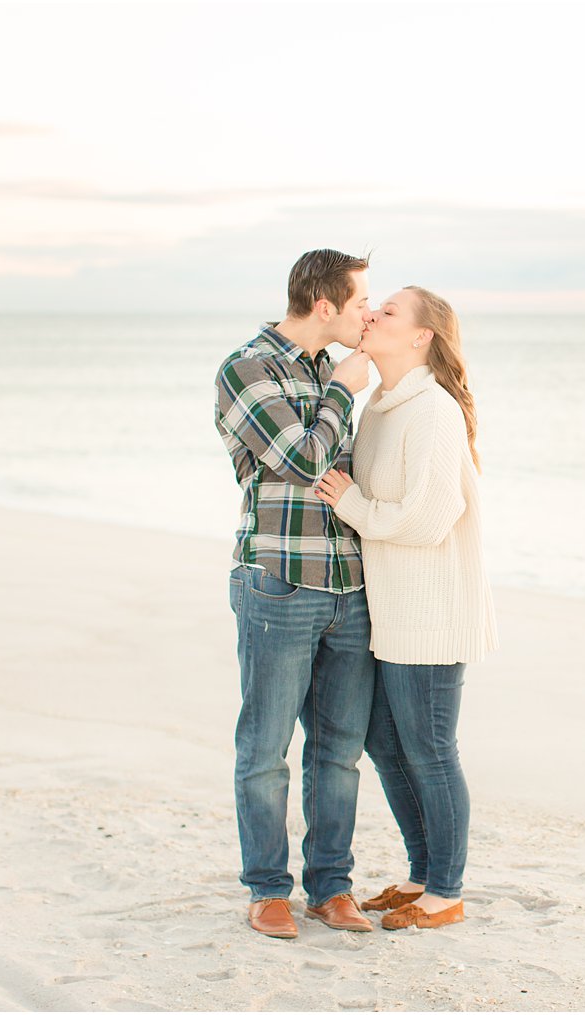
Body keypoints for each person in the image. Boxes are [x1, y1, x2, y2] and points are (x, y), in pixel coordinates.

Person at [313, 285, 498, 931]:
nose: (370, 314)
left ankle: (445, 892)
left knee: (429, 749)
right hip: (389, 608)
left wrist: (351, 505)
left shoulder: (432, 411)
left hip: (432, 608)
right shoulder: (381, 405)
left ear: (421, 336)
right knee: (388, 745)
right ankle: (421, 875)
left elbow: (426, 519)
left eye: (387, 311)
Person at [214, 249, 379, 939]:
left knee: (339, 751)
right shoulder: (248, 366)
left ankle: (331, 887)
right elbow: (305, 460)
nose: (368, 314)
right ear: (324, 305)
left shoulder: (324, 369)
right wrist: (347, 388)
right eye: (360, 302)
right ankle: (267, 889)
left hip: (348, 582)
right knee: (265, 747)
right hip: (280, 583)